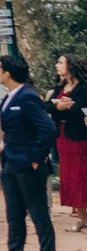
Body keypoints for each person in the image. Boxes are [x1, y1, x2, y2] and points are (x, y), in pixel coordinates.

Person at [0, 52, 59, 251]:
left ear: (7, 73)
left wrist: (36, 158)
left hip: (28, 165)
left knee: (39, 215)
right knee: (14, 215)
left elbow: (48, 128)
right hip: (10, 163)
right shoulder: (9, 97)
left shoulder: (28, 96)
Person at [50, 52, 87, 235]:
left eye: (60, 62)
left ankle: (82, 216)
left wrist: (60, 108)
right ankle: (81, 217)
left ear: (70, 66)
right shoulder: (59, 87)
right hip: (62, 136)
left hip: (79, 136)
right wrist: (58, 106)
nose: (57, 66)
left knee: (81, 174)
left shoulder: (83, 88)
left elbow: (78, 111)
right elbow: (47, 107)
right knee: (69, 175)